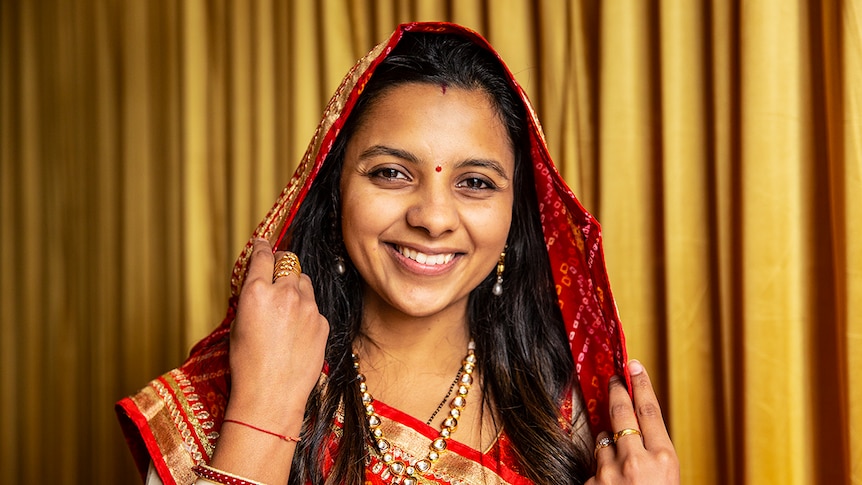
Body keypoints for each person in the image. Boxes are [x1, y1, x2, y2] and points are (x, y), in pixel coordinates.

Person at [117, 22, 679, 485]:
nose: (433, 218)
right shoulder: (227, 390)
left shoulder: (568, 422)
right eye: (390, 173)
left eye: (476, 182)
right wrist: (264, 414)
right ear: (334, 187)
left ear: (517, 217)